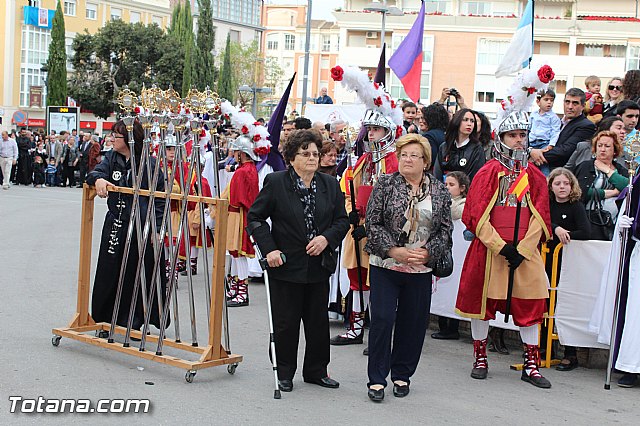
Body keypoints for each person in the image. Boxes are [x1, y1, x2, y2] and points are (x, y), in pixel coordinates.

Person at [455, 111, 553, 389]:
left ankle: (530, 363)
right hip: (491, 250)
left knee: (531, 302)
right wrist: (500, 246)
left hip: (525, 251)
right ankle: (480, 357)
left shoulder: (534, 175)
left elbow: (541, 216)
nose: (519, 141)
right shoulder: (487, 172)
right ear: (502, 138)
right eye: (513, 135)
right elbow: (476, 215)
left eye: (523, 135)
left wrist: (523, 248)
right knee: (482, 305)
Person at [247, 129, 349, 392]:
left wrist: (326, 239)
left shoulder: (329, 184)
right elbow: (255, 218)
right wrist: (269, 249)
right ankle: (283, 371)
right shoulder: (277, 182)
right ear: (292, 157)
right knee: (286, 322)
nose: (312, 158)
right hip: (285, 264)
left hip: (319, 265)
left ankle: (316, 370)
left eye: (315, 153)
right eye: (305, 154)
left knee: (317, 323)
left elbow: (342, 220)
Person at [364, 133, 453, 401]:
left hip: (420, 269)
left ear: (425, 161)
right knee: (382, 319)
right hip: (386, 264)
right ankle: (377, 379)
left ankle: (402, 374)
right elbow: (373, 223)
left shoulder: (438, 190)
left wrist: (428, 253)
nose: (407, 159)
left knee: (412, 324)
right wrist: (394, 251)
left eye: (414, 155)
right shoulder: (385, 184)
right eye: (403, 155)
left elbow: (445, 230)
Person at [86, 119, 168, 332]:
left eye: (116, 135)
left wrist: (158, 228)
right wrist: (99, 181)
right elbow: (93, 174)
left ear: (131, 139)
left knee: (138, 273)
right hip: (117, 224)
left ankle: (133, 321)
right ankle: (104, 319)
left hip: (143, 226)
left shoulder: (150, 164)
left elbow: (160, 200)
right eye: (111, 134)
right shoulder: (111, 158)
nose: (111, 139)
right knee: (110, 271)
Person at [545, 167, 591, 371]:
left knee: (565, 306)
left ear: (572, 186)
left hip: (567, 264)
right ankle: (544, 347)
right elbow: (542, 222)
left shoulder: (576, 206)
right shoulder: (547, 204)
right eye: (557, 183)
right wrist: (556, 228)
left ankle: (570, 353)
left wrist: (567, 234)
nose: (562, 187)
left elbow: (586, 231)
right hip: (547, 262)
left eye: (566, 183)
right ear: (551, 186)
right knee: (546, 303)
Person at [431, 171, 468, 341]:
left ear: (462, 188)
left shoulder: (464, 204)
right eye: (445, 184)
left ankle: (452, 328)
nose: (447, 188)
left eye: (451, 185)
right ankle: (442, 326)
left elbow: (455, 214)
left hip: (458, 253)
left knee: (453, 288)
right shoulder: (440, 202)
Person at [224, 135, 260, 307]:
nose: (234, 153)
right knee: (235, 253)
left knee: (238, 252)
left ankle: (242, 292)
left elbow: (236, 198)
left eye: (236, 151)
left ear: (242, 153)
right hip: (241, 213)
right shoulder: (249, 169)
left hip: (238, 214)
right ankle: (237, 288)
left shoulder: (242, 172)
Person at [574, 131, 630, 240]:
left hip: (614, 221)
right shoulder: (585, 166)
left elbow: (627, 187)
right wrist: (609, 193)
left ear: (615, 150)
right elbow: (579, 192)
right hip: (589, 219)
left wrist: (608, 171)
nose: (602, 149)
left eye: (607, 146)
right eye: (599, 146)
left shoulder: (621, 170)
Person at [529, 88, 596, 171]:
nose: (570, 106)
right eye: (567, 102)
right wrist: (531, 151)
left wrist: (534, 155)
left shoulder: (587, 125)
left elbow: (565, 150)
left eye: (575, 103)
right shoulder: (556, 121)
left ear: (583, 106)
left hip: (560, 172)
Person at [433, 108, 486, 182]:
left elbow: (475, 176)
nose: (469, 124)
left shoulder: (477, 149)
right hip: (443, 190)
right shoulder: (444, 147)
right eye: (465, 120)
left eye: (472, 121)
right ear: (457, 121)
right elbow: (437, 173)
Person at [529, 89, 561, 175]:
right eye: (546, 100)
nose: (549, 102)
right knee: (529, 164)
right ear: (538, 102)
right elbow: (529, 128)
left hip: (544, 143)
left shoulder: (553, 117)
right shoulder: (533, 115)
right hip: (532, 143)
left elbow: (555, 132)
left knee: (543, 164)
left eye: (551, 100)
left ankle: (546, 180)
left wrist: (551, 144)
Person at [419, 104, 449, 172]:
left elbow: (429, 160)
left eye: (423, 118)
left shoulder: (429, 136)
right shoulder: (447, 133)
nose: (420, 121)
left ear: (431, 119)